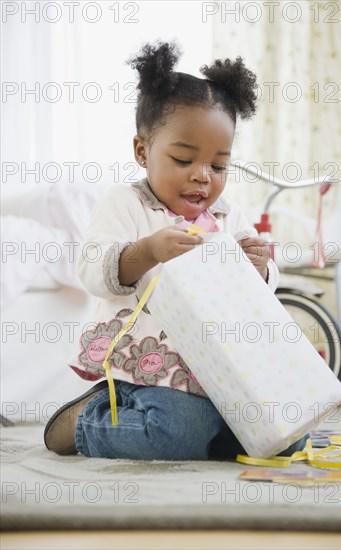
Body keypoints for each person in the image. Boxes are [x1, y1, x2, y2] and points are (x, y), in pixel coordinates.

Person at [44, 41, 308, 460]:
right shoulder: (125, 204)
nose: (203, 177)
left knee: (288, 438)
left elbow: (259, 292)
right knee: (176, 435)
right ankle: (89, 420)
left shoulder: (227, 215)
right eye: (184, 159)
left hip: (227, 366)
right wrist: (147, 251)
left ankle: (214, 439)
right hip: (155, 367)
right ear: (142, 151)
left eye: (218, 166)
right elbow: (93, 269)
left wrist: (260, 269)